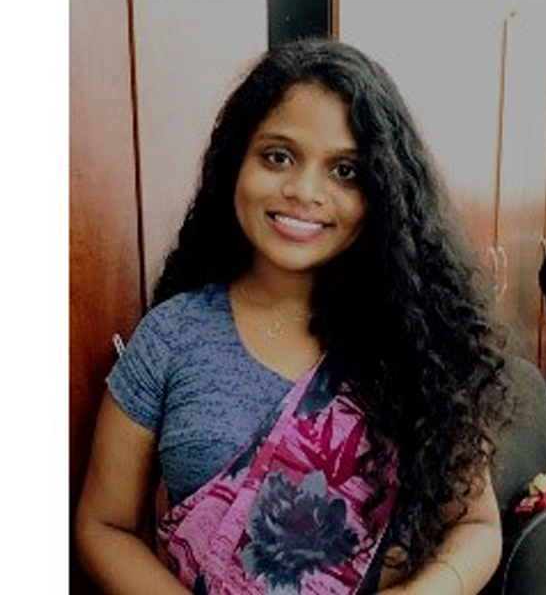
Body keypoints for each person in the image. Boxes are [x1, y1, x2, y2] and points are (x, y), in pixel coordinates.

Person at [75, 39, 512, 594]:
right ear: (237, 162)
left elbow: (476, 526)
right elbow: (104, 525)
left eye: (346, 171)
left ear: (381, 191)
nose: (306, 191)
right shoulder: (171, 338)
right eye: (278, 156)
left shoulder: (415, 341)